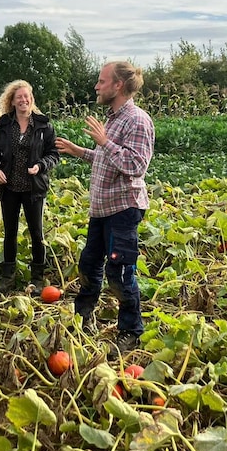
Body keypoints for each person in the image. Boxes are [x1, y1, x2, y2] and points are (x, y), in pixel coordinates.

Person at [55, 61, 155, 355]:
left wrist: (104, 141)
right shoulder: (113, 119)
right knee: (89, 265)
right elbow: (108, 159)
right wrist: (80, 151)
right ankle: (83, 319)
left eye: (101, 81)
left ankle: (131, 332)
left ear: (118, 85)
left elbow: (136, 166)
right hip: (102, 209)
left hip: (123, 209)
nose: (96, 86)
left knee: (119, 272)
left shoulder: (137, 120)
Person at [0, 80, 59, 295]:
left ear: (31, 99)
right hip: (9, 187)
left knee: (36, 232)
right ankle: (7, 278)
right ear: (12, 101)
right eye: (19, 97)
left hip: (34, 188)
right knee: (10, 232)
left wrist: (40, 165)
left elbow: (53, 154)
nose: (23, 100)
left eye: (27, 96)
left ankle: (37, 278)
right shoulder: (3, 126)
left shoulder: (44, 126)